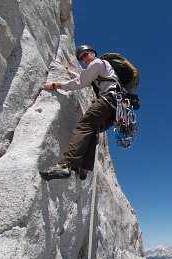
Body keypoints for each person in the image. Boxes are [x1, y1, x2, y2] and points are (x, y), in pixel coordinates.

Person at [39, 45, 137, 181]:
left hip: (106, 102)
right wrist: (70, 73)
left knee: (83, 127)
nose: (83, 59)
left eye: (85, 55)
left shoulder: (97, 63)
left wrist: (55, 85)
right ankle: (84, 169)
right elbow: (87, 80)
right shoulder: (103, 69)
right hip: (116, 109)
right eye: (80, 58)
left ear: (93, 53)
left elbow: (80, 82)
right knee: (92, 132)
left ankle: (65, 165)